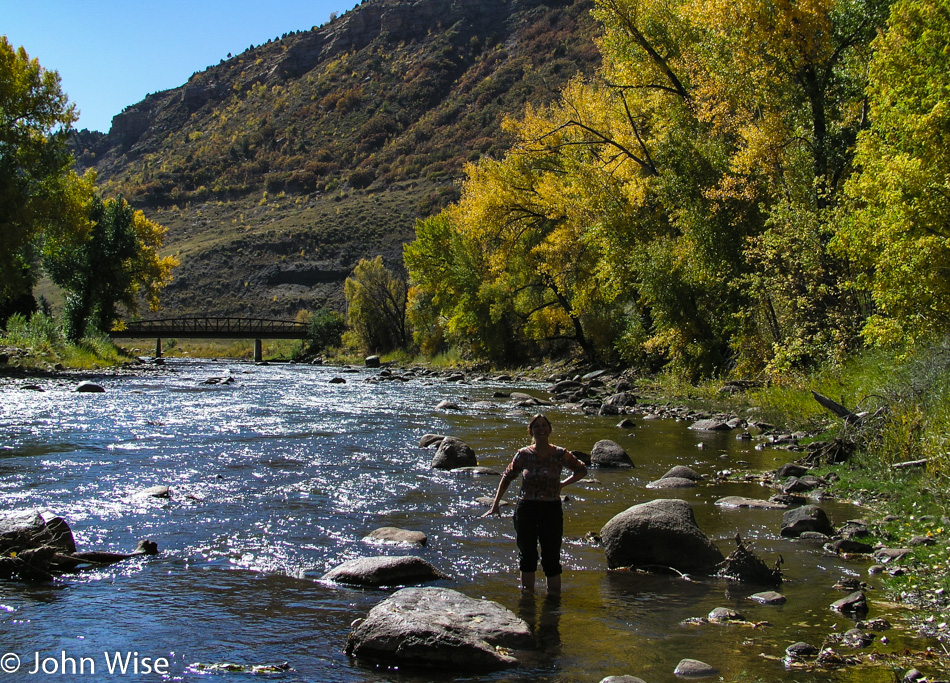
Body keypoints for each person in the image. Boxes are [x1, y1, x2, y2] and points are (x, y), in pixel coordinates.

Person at [481, 413, 587, 595]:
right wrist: (495, 503)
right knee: (527, 557)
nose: (541, 429)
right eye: (536, 426)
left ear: (550, 429)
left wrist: (562, 484)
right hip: (526, 509)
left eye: (544, 425)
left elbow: (581, 470)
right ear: (531, 431)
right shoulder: (523, 454)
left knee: (551, 558)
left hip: (551, 509)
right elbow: (507, 477)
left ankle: (553, 603)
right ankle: (527, 600)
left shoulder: (560, 453)